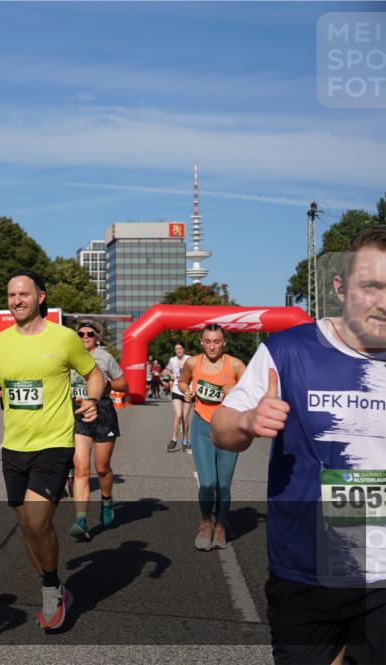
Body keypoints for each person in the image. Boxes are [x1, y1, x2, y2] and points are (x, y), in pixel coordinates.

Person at [212, 228, 386, 665]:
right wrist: (250, 421)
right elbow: (221, 428)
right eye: (371, 287)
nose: (383, 302)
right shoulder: (288, 352)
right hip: (305, 568)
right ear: (340, 286)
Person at [0, 269, 104, 631]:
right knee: (27, 526)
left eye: (23, 294)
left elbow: (93, 374)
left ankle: (49, 587)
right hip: (14, 448)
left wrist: (92, 400)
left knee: (40, 520)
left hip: (54, 444)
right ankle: (55, 584)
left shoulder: (64, 338)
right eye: (11, 295)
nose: (16, 301)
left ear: (41, 297)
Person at [178, 324, 246, 551]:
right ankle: (206, 523)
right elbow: (182, 381)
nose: (212, 346)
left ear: (224, 342)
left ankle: (221, 526)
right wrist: (186, 390)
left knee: (223, 485)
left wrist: (236, 392)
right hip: (201, 427)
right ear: (201, 342)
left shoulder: (236, 365)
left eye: (217, 341)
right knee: (208, 482)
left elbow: (252, 392)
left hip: (229, 428)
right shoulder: (192, 363)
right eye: (208, 341)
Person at [68, 320, 128, 542]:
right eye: (81, 334)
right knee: (81, 468)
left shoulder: (105, 357)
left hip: (102, 412)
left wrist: (108, 384)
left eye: (89, 334)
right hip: (79, 414)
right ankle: (81, 520)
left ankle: (106, 500)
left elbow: (124, 385)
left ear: (97, 337)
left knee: (101, 468)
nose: (85, 337)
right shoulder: (69, 356)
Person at [164, 343, 193, 453]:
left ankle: (185, 441)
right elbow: (167, 369)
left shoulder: (189, 359)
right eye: (176, 349)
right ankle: (173, 439)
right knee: (178, 414)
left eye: (180, 348)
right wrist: (169, 373)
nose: (178, 350)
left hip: (187, 390)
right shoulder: (172, 360)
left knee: (185, 417)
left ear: (184, 349)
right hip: (176, 389)